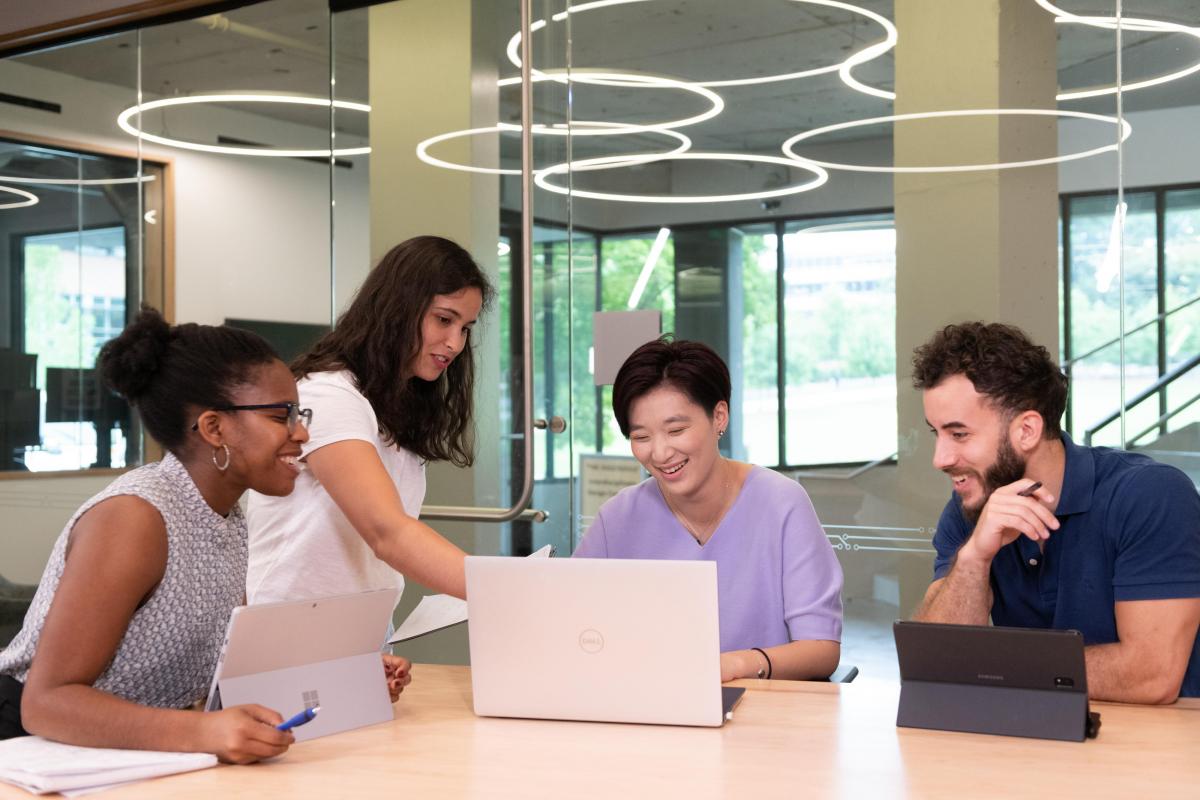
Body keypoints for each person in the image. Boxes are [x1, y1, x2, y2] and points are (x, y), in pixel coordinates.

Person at [0, 308, 306, 760]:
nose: (301, 431)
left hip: (125, 751)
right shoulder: (135, 518)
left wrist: (346, 673)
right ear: (214, 428)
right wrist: (202, 733)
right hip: (31, 751)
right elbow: (46, 704)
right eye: (282, 416)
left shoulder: (225, 513)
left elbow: (223, 663)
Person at [912, 321, 1200, 703]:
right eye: (937, 434)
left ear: (1027, 430)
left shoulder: (1150, 495)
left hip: (1156, 749)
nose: (941, 459)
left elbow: (1150, 676)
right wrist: (975, 558)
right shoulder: (975, 504)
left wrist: (993, 667)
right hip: (1037, 742)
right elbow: (934, 662)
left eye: (959, 434)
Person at [574, 338, 843, 681]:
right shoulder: (618, 518)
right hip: (650, 708)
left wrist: (734, 665)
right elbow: (572, 625)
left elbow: (821, 649)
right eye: (641, 437)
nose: (659, 453)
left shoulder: (782, 504)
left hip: (763, 712)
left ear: (719, 416)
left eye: (676, 430)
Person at [246, 236, 493, 609]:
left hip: (355, 627)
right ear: (398, 309)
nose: (455, 343)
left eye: (465, 328)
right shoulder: (327, 393)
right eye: (444, 320)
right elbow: (387, 533)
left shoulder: (397, 405)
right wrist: (506, 589)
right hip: (286, 625)